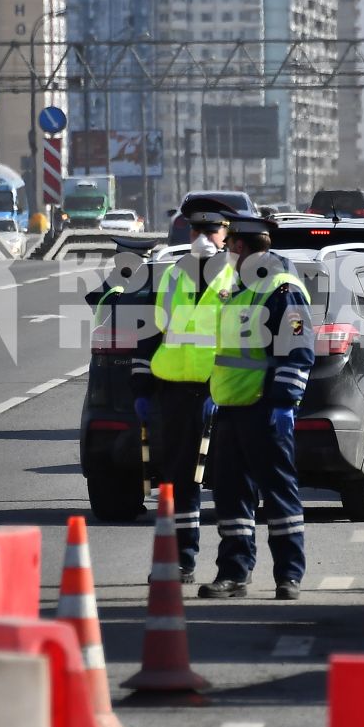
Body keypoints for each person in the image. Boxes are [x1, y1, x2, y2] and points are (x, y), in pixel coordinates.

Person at [199, 215, 316, 600]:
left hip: (265, 410)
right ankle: (234, 573)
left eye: (231, 244)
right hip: (230, 409)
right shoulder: (233, 289)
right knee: (230, 498)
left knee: (279, 495)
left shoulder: (283, 290)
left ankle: (289, 575)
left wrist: (283, 405)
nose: (226, 251)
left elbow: (297, 352)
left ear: (246, 245)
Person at [131, 198, 235, 581]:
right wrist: (142, 386)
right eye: (196, 230)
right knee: (178, 481)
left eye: (212, 230)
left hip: (222, 393)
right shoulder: (174, 274)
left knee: (228, 480)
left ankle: (233, 568)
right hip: (174, 392)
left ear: (226, 235)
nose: (203, 237)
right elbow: (152, 332)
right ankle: (182, 559)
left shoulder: (238, 277)